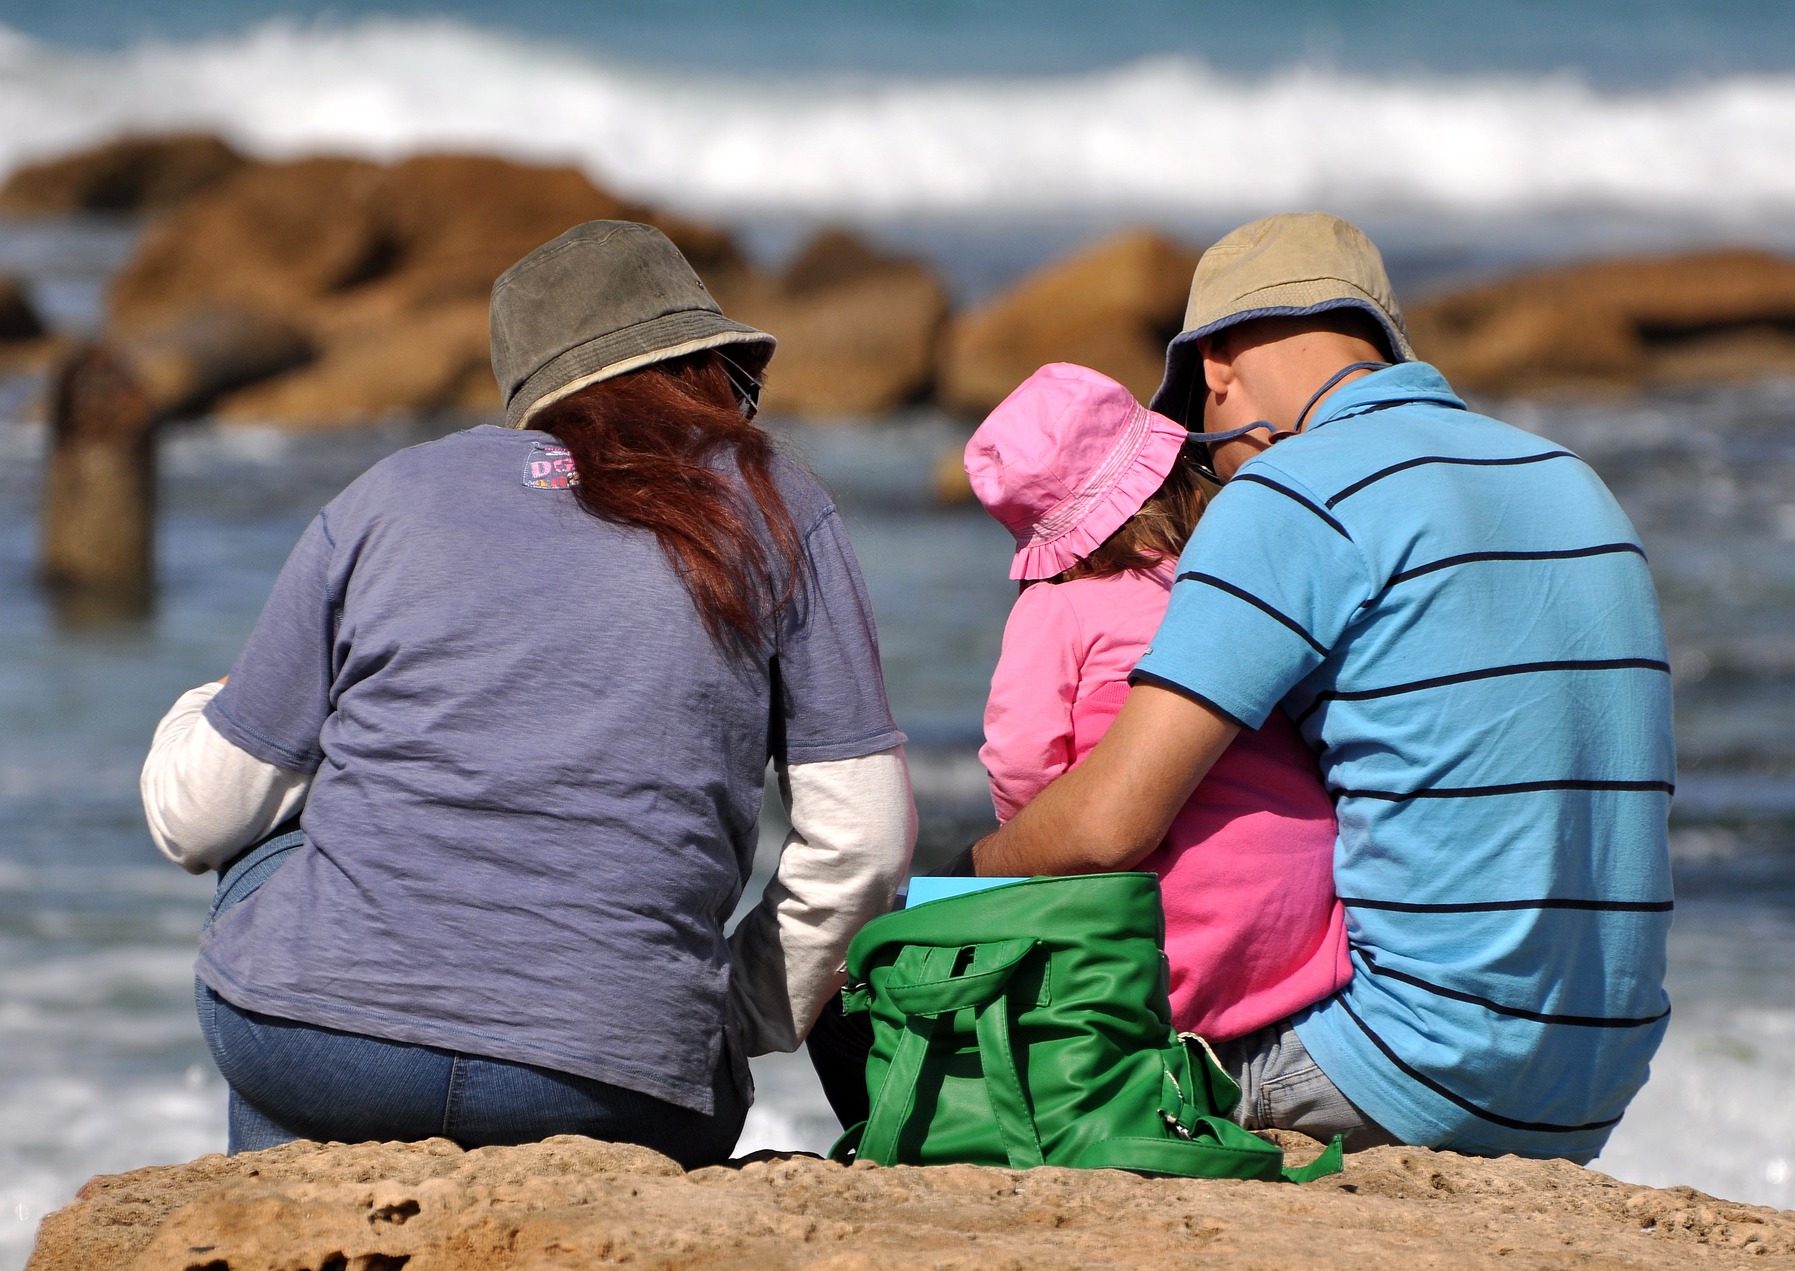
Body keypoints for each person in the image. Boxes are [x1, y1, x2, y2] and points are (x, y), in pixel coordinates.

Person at [140, 220, 916, 1166]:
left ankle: (281, 1219)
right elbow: (867, 843)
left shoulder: (392, 493)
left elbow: (199, 819)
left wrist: (205, 702)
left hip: (324, 1051)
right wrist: (727, 1012)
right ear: (711, 374)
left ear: (530, 393)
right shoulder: (779, 504)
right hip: (619, 1083)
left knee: (287, 823)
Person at [971, 213, 1674, 1163]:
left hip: (1408, 1070)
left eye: (1201, 426)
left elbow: (1110, 827)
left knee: (974, 1044)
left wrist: (971, 875)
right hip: (1598, 1077)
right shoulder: (1574, 480)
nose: (1210, 459)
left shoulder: (1294, 492)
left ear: (1216, 366)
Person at [966, 362, 1348, 1042]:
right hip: (1310, 925)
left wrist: (1033, 842)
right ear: (1172, 475)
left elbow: (1021, 758)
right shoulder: (1224, 590)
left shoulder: (1056, 607)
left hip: (1181, 943)